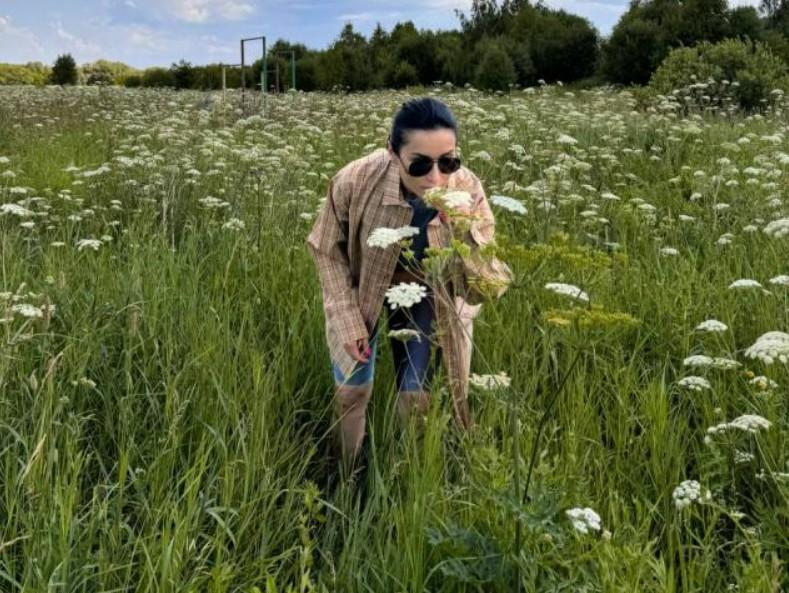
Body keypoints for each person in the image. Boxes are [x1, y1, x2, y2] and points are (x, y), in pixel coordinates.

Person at [306, 97, 497, 468]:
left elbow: (487, 279)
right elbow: (326, 249)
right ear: (392, 151)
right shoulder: (356, 179)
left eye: (448, 161)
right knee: (351, 393)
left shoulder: (467, 188)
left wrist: (463, 226)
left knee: (417, 401)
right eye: (420, 164)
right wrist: (347, 318)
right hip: (364, 292)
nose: (435, 178)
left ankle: (399, 477)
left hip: (427, 295)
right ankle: (345, 476)